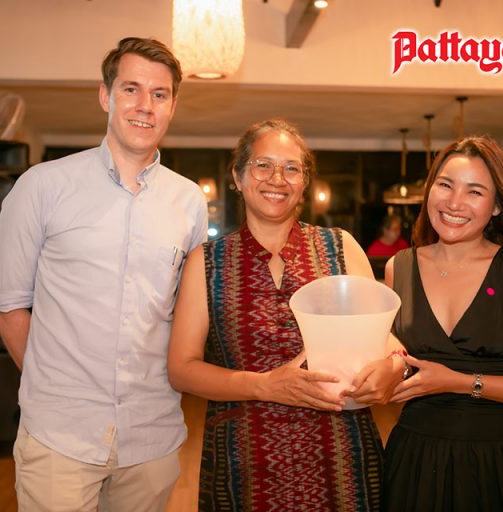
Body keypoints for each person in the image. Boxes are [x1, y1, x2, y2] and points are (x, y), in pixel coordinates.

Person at [0, 37, 208, 511]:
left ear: (172, 107)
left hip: (152, 435)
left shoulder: (189, 202)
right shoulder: (43, 185)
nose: (145, 105)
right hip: (60, 435)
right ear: (105, 96)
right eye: (131, 89)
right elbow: (7, 303)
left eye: (160, 94)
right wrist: (53, 387)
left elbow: (183, 313)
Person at [167, 118, 407, 511]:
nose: (277, 179)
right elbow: (182, 369)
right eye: (263, 165)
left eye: (291, 168)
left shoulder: (340, 248)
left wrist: (395, 366)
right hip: (244, 462)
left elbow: (384, 338)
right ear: (238, 176)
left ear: (304, 182)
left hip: (342, 458)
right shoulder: (207, 262)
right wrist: (263, 385)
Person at [383, 135, 503, 511]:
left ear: (496, 206)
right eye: (445, 185)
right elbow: (395, 359)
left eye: (474, 191)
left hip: (502, 463)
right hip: (416, 459)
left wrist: (461, 382)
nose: (454, 202)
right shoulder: (399, 268)